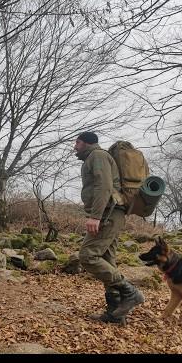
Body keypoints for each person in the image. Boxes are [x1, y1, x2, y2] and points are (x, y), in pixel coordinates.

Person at [70, 131, 144, 324]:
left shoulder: (98, 156)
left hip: (108, 214)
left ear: (87, 143)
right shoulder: (94, 157)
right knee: (107, 260)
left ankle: (131, 293)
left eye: (77, 142)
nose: (74, 146)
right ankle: (115, 313)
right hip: (111, 213)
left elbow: (103, 186)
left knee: (88, 256)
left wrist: (95, 216)